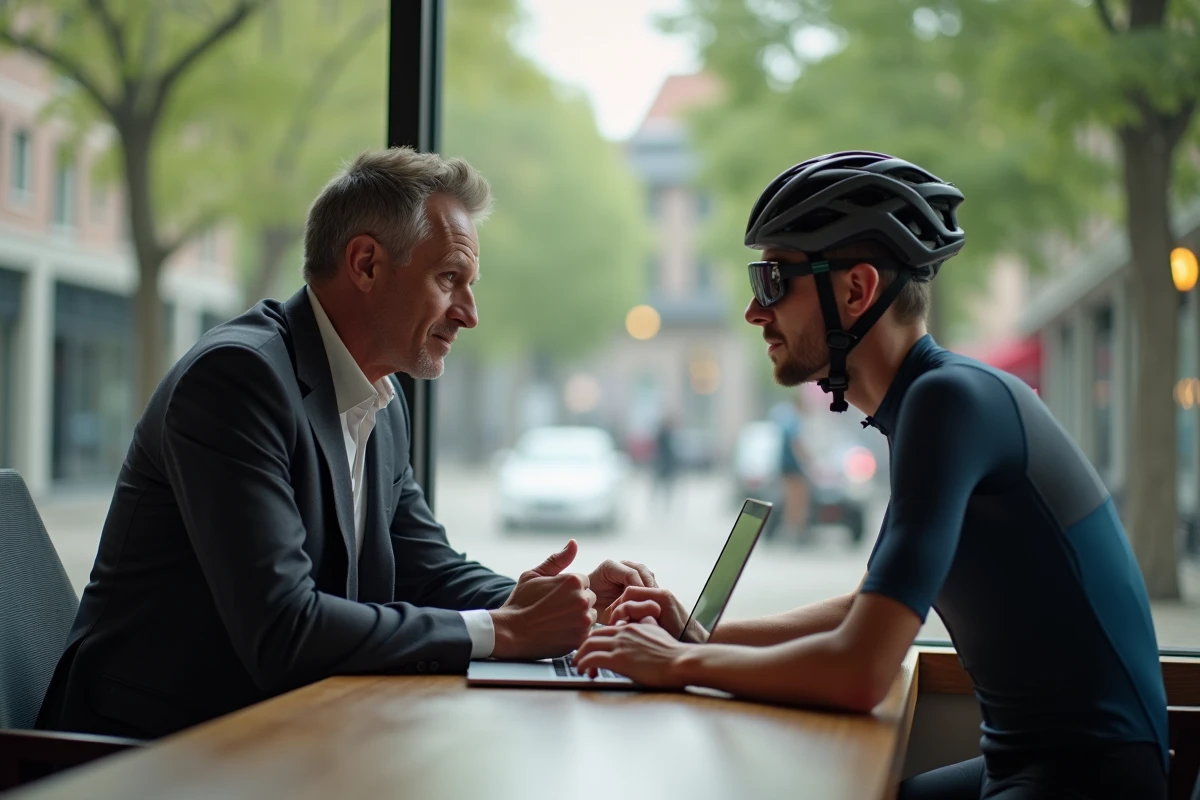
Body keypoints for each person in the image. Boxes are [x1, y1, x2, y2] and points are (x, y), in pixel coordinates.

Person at [576, 151, 1169, 799]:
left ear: (856, 290)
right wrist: (692, 630)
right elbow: (867, 610)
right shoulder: (929, 404)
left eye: (773, 280)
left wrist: (681, 662)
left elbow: (860, 671)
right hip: (1048, 768)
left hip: (1088, 783)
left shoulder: (949, 404)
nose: (753, 311)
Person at [37, 148, 655, 739]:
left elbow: (426, 569)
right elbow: (285, 630)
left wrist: (553, 606)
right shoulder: (236, 380)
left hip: (276, 733)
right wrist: (505, 630)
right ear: (365, 264)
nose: (469, 312)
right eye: (450, 278)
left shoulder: (381, 401)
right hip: (141, 755)